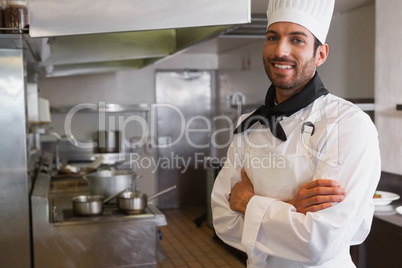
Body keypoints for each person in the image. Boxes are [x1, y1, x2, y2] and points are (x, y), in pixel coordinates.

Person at [211, 0, 381, 267]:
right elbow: (222, 221)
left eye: (297, 40)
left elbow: (317, 243)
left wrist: (248, 202)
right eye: (272, 37)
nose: (281, 50)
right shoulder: (250, 124)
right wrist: (291, 207)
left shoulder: (347, 124)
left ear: (321, 54)